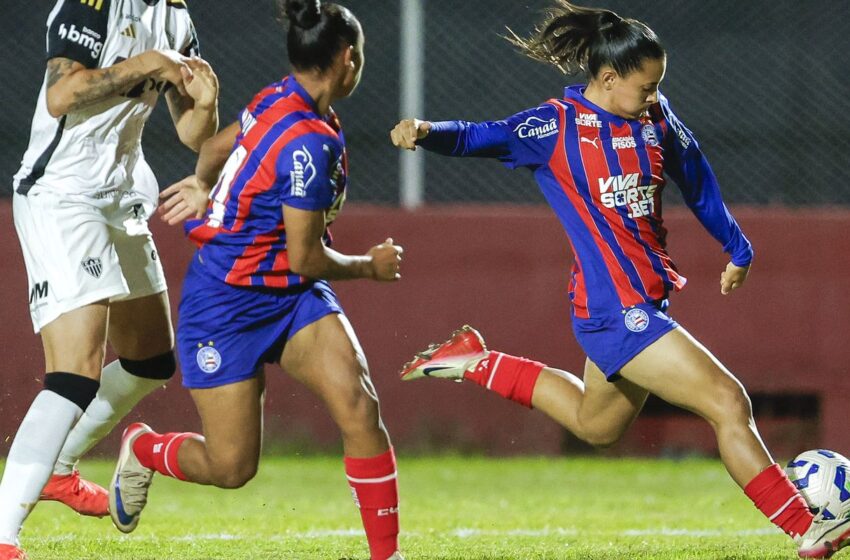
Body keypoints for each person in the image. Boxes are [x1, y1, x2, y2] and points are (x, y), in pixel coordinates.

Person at [390, 2, 849, 558]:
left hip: (641, 302)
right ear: (608, 80)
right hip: (615, 309)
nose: (654, 97)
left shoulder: (653, 118)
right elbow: (479, 136)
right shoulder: (554, 126)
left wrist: (737, 244)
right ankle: (806, 527)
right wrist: (423, 131)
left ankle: (473, 360)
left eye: (658, 86)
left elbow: (696, 175)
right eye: (645, 87)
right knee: (728, 403)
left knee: (596, 425)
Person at [109, 2, 404, 559]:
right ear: (348, 58)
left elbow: (221, 144)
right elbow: (306, 258)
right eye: (359, 55)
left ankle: (389, 556)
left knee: (359, 408)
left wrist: (202, 184)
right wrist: (370, 265)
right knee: (231, 467)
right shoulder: (310, 143)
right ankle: (147, 449)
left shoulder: (280, 96)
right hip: (227, 306)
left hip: (291, 301)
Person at [0, 0, 219, 557]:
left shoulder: (177, 17)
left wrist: (207, 107)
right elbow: (62, 94)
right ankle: (3, 535)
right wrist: (147, 62)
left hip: (121, 196)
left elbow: (194, 134)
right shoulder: (91, 3)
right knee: (74, 373)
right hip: (63, 199)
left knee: (152, 359)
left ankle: (57, 467)